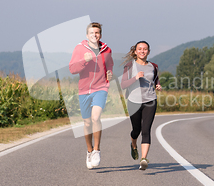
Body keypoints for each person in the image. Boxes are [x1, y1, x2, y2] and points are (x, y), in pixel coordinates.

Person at [69, 22, 113, 169]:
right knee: (87, 123)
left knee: (96, 118)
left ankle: (97, 150)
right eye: (92, 33)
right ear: (87, 35)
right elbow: (72, 69)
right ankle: (89, 151)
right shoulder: (79, 49)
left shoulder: (107, 50)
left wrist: (110, 73)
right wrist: (84, 61)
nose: (95, 35)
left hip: (101, 87)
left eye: (97, 33)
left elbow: (110, 64)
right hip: (83, 90)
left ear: (100, 34)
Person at [121, 41, 161, 170]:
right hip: (134, 102)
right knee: (136, 130)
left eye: (145, 49)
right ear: (135, 52)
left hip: (150, 100)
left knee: (146, 130)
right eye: (140, 49)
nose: (142, 51)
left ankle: (144, 159)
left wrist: (157, 85)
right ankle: (133, 144)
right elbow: (123, 85)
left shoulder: (153, 66)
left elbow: (155, 79)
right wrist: (135, 78)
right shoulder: (129, 66)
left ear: (148, 52)